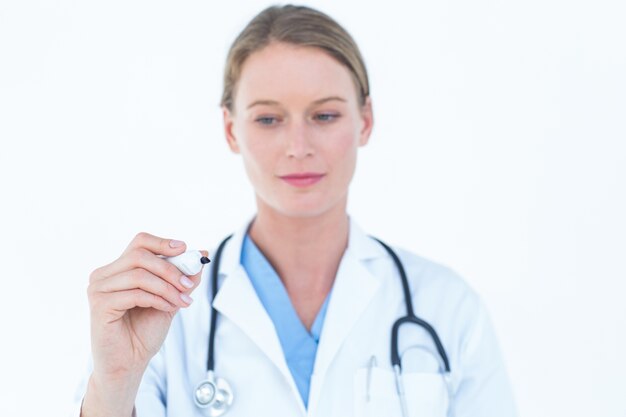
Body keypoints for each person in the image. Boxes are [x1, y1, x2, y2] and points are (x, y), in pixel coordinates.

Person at [76, 4, 517, 417]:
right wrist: (116, 381)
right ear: (231, 130)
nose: (298, 148)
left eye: (324, 116)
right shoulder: (164, 315)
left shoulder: (446, 307)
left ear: (365, 120)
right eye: (268, 119)